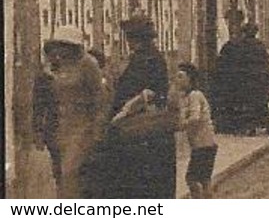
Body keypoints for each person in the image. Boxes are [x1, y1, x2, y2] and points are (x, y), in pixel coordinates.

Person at [99, 14, 176, 198]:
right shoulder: (151, 58)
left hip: (141, 133)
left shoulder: (145, 60)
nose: (128, 41)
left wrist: (118, 115)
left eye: (130, 37)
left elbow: (143, 94)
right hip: (150, 135)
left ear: (137, 38)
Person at [32, 26, 106, 196]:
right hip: (60, 128)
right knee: (61, 176)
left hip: (82, 127)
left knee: (71, 173)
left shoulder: (88, 65)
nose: (60, 50)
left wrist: (97, 131)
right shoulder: (56, 65)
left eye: (64, 45)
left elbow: (100, 100)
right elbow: (45, 98)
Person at [215, 22, 269, 134]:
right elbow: (265, 66)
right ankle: (253, 126)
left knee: (241, 105)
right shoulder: (260, 47)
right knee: (254, 105)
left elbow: (224, 64)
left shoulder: (233, 45)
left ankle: (241, 126)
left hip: (241, 83)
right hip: (256, 84)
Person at [175, 64, 219, 198]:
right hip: (202, 144)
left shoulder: (195, 95)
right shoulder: (185, 97)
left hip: (203, 144)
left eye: (181, 76)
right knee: (204, 179)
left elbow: (195, 117)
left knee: (191, 179)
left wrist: (180, 126)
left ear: (190, 79)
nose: (177, 80)